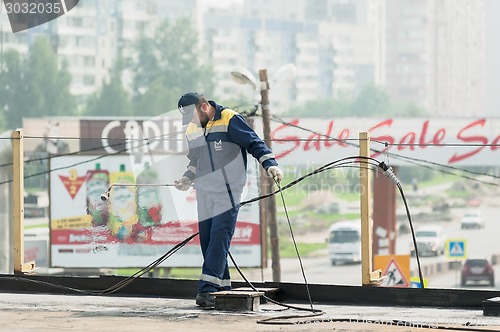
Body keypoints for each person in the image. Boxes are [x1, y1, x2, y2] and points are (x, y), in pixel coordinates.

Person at [174, 92, 283, 308]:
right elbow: (195, 161)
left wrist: (270, 163)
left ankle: (207, 290)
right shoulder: (193, 128)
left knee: (219, 235)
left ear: (203, 106)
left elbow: (254, 143)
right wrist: (187, 178)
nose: (191, 122)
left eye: (192, 116)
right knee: (207, 240)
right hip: (204, 190)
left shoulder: (230, 119)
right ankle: (222, 288)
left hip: (228, 190)